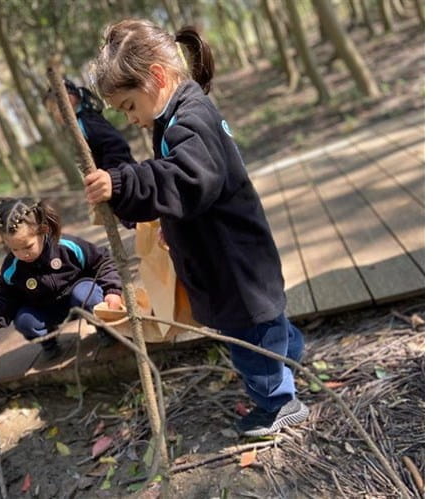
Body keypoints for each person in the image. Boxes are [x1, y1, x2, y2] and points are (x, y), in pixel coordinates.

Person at [83, 19, 308, 437]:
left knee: (249, 335)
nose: (131, 119)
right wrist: (154, 214)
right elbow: (183, 189)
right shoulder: (174, 118)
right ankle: (289, 361)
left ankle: (279, 403)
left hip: (234, 262)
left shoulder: (191, 117)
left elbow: (188, 179)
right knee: (266, 324)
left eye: (130, 105)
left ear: (156, 77)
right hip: (227, 254)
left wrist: (122, 182)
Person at [0, 198, 124, 360]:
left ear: (43, 230)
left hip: (79, 297)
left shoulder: (67, 246)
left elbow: (102, 261)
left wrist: (112, 290)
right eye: (14, 249)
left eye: (28, 246)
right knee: (24, 320)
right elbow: (7, 296)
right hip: (45, 308)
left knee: (87, 293)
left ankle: (103, 329)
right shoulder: (12, 267)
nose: (23, 254)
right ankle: (49, 341)